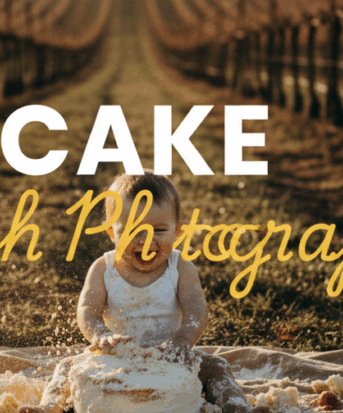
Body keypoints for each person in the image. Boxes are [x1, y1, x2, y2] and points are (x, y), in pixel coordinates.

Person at [19, 172, 268, 413]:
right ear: (111, 232)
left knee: (217, 366)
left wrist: (182, 341)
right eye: (131, 230)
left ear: (177, 230)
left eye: (159, 230)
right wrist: (100, 334)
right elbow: (87, 311)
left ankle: (238, 407)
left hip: (169, 354)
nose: (145, 239)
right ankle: (48, 407)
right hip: (115, 355)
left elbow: (196, 311)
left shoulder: (181, 268)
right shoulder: (102, 268)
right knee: (67, 366)